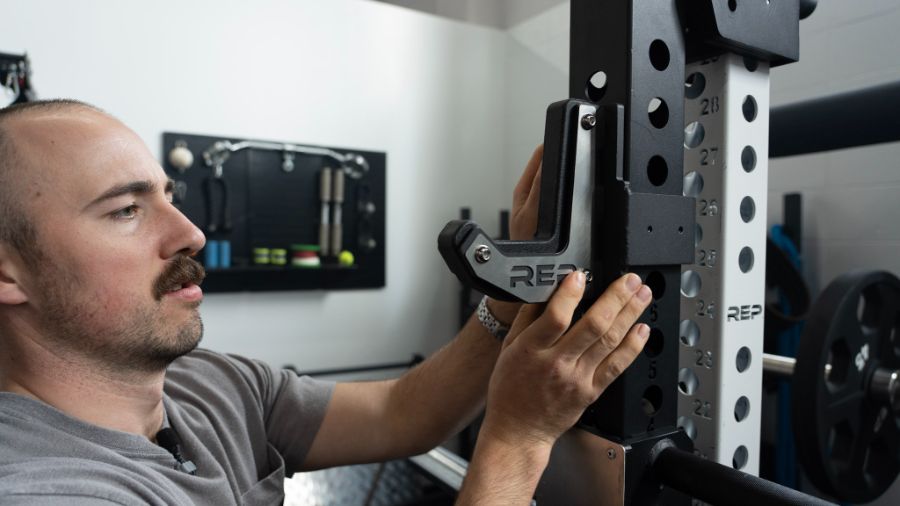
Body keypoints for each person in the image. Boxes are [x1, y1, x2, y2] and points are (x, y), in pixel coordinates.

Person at [0, 99, 652, 505]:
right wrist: (518, 438)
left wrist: (505, 305)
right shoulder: (45, 489)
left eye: (169, 195)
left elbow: (403, 413)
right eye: (125, 210)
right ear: (8, 273)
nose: (190, 233)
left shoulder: (213, 383)